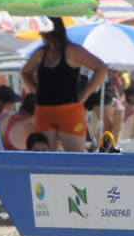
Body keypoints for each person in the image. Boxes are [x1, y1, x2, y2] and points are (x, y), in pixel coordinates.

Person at [19, 19, 107, 151]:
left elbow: (101, 68)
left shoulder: (72, 51)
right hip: (44, 111)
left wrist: (86, 93)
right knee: (46, 159)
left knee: (75, 158)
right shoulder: (41, 53)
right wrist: (35, 89)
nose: (40, 34)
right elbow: (25, 72)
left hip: (69, 110)